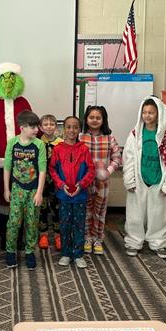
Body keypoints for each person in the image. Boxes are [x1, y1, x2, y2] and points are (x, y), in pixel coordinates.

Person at [0, 62, 32, 248]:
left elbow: (31, 128)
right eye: (4, 79)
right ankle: (4, 238)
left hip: (23, 160)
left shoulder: (23, 103)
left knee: (20, 197)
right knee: (3, 198)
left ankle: (18, 238)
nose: (8, 83)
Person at [123, 96, 166, 259]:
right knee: (135, 214)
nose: (147, 116)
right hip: (139, 181)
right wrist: (129, 179)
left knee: (159, 214)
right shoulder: (135, 135)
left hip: (158, 181)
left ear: (159, 114)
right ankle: (134, 242)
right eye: (145, 112)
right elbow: (128, 158)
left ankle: (158, 242)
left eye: (151, 113)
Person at [49, 116, 95, 268]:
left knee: (79, 225)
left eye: (75, 127)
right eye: (68, 127)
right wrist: (61, 185)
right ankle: (66, 254)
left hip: (79, 195)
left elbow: (91, 170)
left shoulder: (84, 149)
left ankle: (78, 254)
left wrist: (81, 185)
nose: (71, 130)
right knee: (64, 224)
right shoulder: (58, 149)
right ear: (64, 129)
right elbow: (52, 170)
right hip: (64, 195)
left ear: (79, 130)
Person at [4, 110, 46, 270]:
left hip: (34, 190)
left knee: (32, 222)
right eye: (33, 127)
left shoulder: (39, 144)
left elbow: (42, 169)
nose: (37, 130)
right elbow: (7, 167)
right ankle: (10, 251)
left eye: (37, 126)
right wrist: (6, 189)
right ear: (22, 127)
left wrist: (39, 192)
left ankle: (29, 252)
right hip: (16, 189)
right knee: (13, 222)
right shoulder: (13, 143)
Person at [80, 106, 122, 255]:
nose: (94, 120)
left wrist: (107, 171)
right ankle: (87, 237)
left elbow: (117, 159)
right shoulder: (80, 137)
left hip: (102, 183)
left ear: (103, 120)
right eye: (91, 117)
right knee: (86, 210)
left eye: (98, 118)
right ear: (86, 119)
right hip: (84, 183)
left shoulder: (110, 138)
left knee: (100, 211)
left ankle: (98, 238)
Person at [38, 114, 63, 251]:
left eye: (52, 124)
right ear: (40, 127)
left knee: (56, 208)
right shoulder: (37, 142)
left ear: (56, 127)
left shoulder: (60, 143)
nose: (49, 127)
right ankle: (43, 235)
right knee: (42, 208)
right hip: (42, 182)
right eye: (46, 124)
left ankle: (58, 235)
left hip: (56, 181)